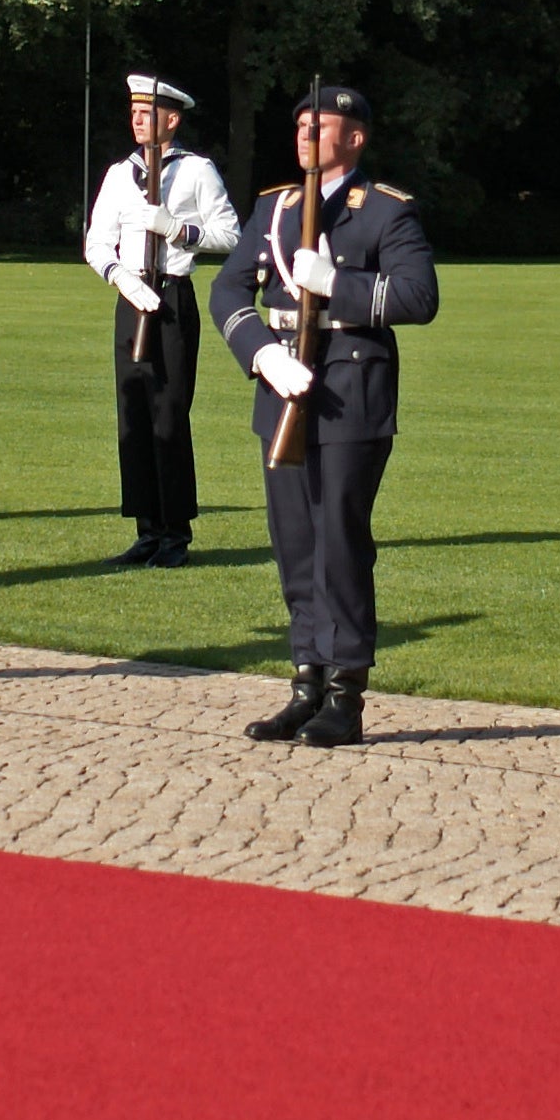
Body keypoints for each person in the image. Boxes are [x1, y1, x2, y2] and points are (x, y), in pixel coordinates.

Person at [214, 82, 437, 747]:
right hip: (281, 388)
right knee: (294, 545)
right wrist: (259, 355)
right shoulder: (275, 208)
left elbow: (419, 297)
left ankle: (345, 693)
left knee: (338, 542)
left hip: (349, 395)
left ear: (355, 137)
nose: (306, 133)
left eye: (321, 125)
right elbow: (227, 287)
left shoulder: (384, 212)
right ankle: (305, 684)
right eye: (301, 124)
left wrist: (332, 284)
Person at [85, 73, 242, 567]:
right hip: (131, 296)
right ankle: (146, 528)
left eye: (146, 112)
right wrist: (120, 277)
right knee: (132, 411)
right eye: (132, 111)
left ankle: (175, 532)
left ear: (171, 119)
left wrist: (178, 229)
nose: (136, 119)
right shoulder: (119, 173)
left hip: (172, 298)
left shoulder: (196, 170)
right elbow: (96, 241)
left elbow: (230, 234)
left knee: (168, 413)